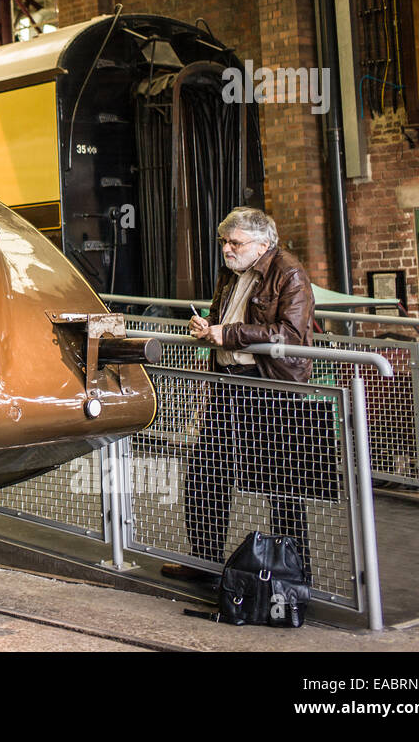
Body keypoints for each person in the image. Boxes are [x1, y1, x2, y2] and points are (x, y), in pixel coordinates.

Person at [161, 206, 320, 584]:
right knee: (206, 474)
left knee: (282, 484)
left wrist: (229, 334)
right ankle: (205, 561)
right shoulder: (232, 274)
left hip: (269, 387)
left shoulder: (289, 273)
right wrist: (207, 327)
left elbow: (291, 337)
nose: (227, 249)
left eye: (235, 242)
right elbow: (225, 321)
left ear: (263, 244)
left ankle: (293, 570)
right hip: (227, 384)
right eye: (224, 242)